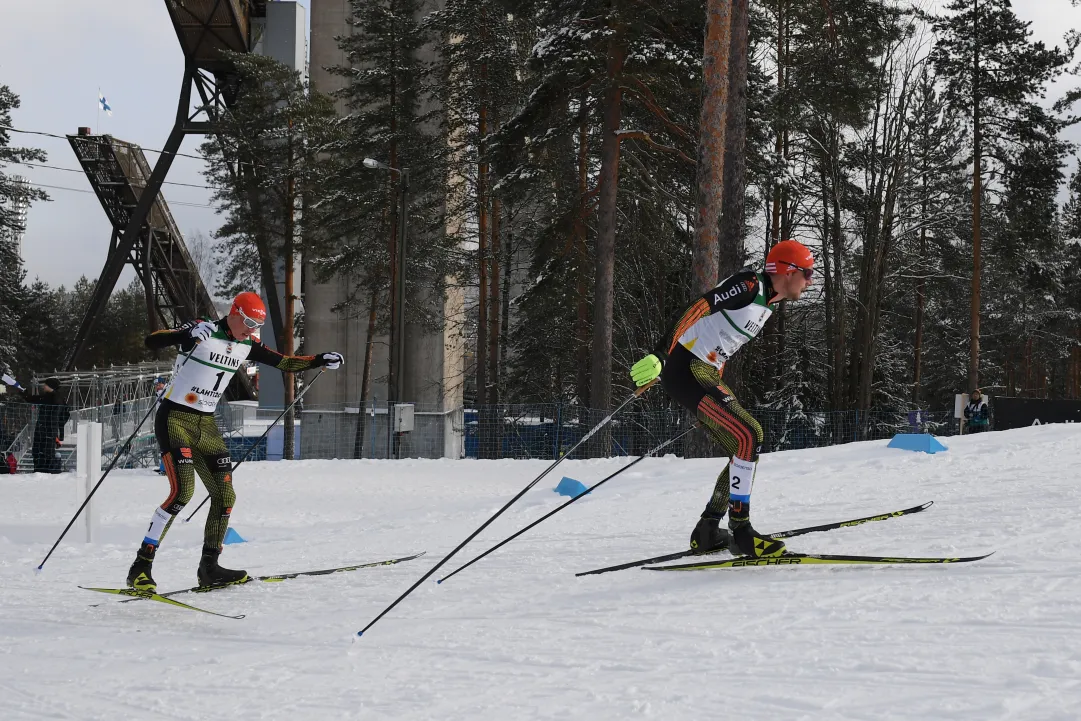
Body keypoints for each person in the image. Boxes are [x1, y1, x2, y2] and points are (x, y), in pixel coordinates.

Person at [126, 291, 345, 593]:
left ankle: (210, 567)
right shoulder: (204, 332)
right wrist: (186, 332)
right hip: (175, 418)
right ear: (234, 313)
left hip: (206, 423)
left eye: (257, 325)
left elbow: (284, 363)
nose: (252, 330)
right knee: (182, 492)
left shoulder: (246, 344)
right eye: (249, 322)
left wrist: (319, 360)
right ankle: (140, 566)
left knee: (225, 496)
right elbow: (153, 341)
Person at [628, 239, 815, 558]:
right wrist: (661, 354)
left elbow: (719, 343)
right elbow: (697, 308)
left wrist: (715, 398)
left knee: (743, 447)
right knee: (750, 433)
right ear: (788, 271)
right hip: (687, 368)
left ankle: (708, 529)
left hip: (702, 372)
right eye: (807, 273)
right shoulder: (749, 285)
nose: (810, 281)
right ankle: (742, 531)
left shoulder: (766, 306)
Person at [16, 377, 69, 474]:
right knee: (47, 452)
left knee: (40, 451)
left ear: (51, 386)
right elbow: (66, 415)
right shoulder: (60, 398)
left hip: (44, 429)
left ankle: (41, 472)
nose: (44, 386)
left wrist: (24, 394)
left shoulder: (51, 397)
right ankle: (45, 471)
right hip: (51, 429)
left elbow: (34, 399)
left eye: (46, 385)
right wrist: (59, 428)